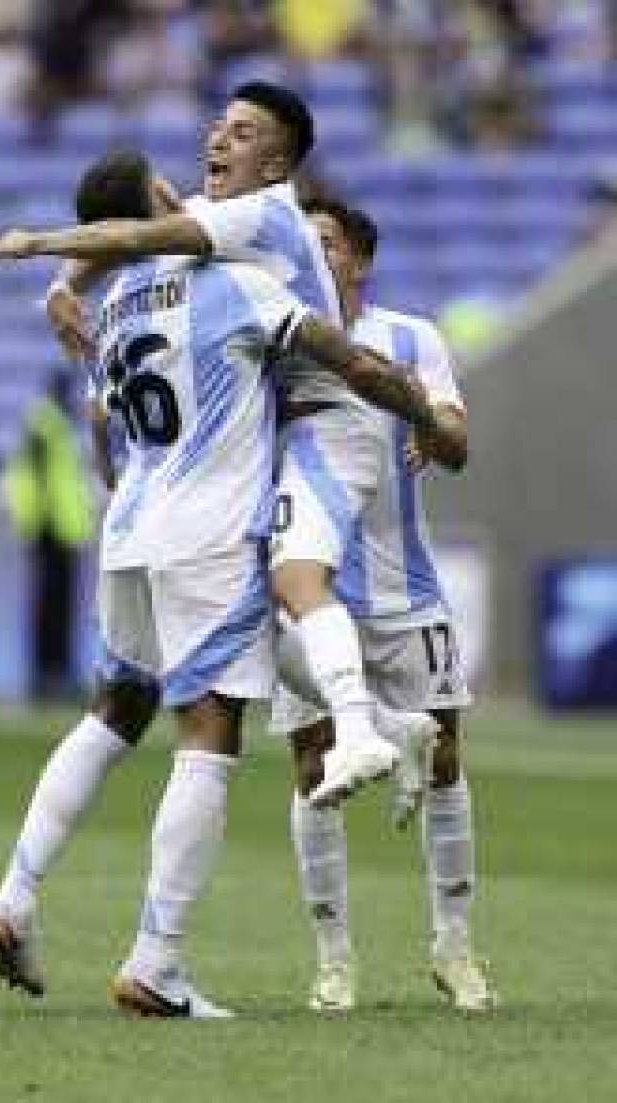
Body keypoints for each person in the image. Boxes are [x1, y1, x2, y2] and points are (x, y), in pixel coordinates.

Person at [0, 148, 442, 1017]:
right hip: (208, 529)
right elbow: (356, 364)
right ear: (158, 198)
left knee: (112, 713)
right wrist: (421, 415)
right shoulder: (235, 283)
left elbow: (97, 419)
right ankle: (158, 963)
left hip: (130, 527)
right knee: (210, 732)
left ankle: (13, 897)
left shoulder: (113, 305)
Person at [0, 81, 446, 805]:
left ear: (277, 161)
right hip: (273, 427)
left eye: (242, 131)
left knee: (295, 581)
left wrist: (37, 246)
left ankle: (357, 729)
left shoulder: (260, 213)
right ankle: (398, 725)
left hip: (329, 420)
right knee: (252, 612)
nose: (219, 139)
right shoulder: (219, 214)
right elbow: (125, 234)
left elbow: (135, 236)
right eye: (219, 125)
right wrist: (60, 290)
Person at [272, 196, 496, 1015]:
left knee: (444, 760)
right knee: (312, 769)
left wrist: (430, 426)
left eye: (326, 243)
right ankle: (334, 961)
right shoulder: (277, 333)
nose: (312, 254)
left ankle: (455, 945)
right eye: (304, 242)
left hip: (406, 591)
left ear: (359, 261)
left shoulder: (411, 339)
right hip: (310, 587)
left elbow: (460, 445)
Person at [4, 369, 93, 699]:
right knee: (49, 608)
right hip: (50, 530)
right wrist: (35, 524)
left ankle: (58, 671)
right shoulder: (44, 426)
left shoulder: (54, 426)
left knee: (61, 607)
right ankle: (47, 675)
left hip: (64, 530)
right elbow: (30, 479)